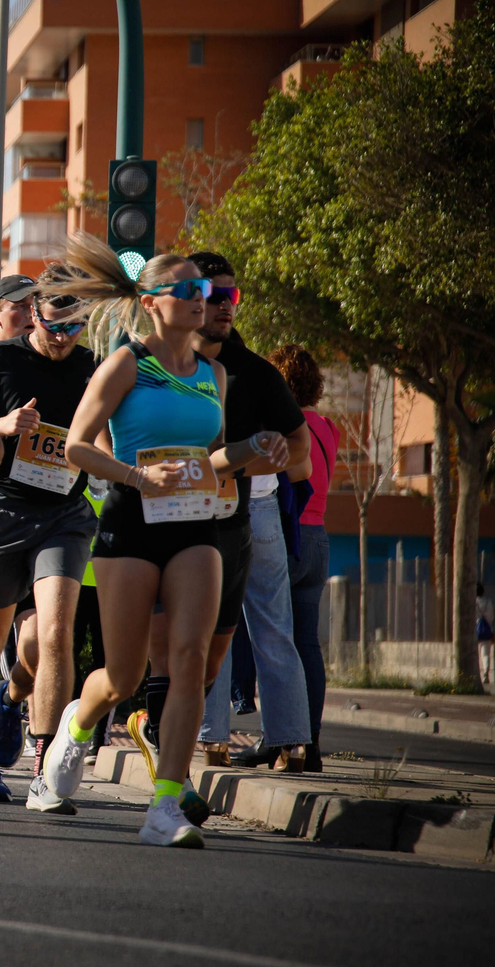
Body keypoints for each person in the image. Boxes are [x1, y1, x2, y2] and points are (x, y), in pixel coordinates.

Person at [36, 236, 290, 848]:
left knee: (190, 661)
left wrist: (256, 451)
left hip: (197, 526)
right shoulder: (127, 364)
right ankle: (77, 725)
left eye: (204, 291)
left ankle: (165, 806)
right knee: (121, 678)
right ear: (151, 301)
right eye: (186, 290)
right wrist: (134, 474)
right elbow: (76, 444)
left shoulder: (216, 374)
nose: (201, 300)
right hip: (130, 525)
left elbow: (211, 458)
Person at [0, 273, 97, 814]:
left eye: (74, 327)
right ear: (33, 314)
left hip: (63, 512)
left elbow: (105, 431)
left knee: (55, 635)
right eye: (52, 325)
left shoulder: (92, 365)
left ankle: (44, 768)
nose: (62, 337)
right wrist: (2, 427)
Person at [181, 252, 312, 774]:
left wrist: (256, 458)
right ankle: (210, 738)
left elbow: (299, 450)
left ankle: (291, 741)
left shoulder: (256, 371)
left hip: (251, 513)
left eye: (231, 295)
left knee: (271, 627)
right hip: (184, 515)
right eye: (213, 295)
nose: (224, 305)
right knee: (204, 630)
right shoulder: (157, 366)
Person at [270, 344, 339, 770]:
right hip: (320, 540)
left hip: (288, 536)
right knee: (308, 644)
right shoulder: (328, 425)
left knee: (274, 642)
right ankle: (310, 744)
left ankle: (281, 744)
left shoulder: (284, 426)